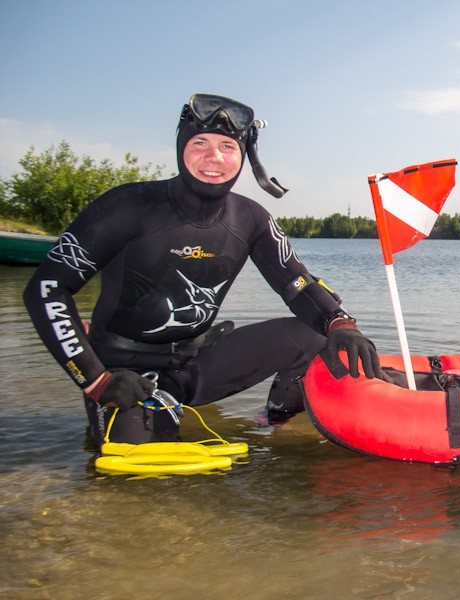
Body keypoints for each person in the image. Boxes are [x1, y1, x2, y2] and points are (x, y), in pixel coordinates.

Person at [23, 93, 381, 448]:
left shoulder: (252, 218)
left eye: (228, 146)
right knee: (141, 480)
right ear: (181, 148)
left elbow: (298, 283)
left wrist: (341, 324)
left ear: (243, 156)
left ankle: (276, 423)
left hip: (197, 363)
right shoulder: (127, 206)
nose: (214, 158)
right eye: (200, 143)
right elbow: (47, 288)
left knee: (316, 334)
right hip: (125, 370)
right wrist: (96, 380)